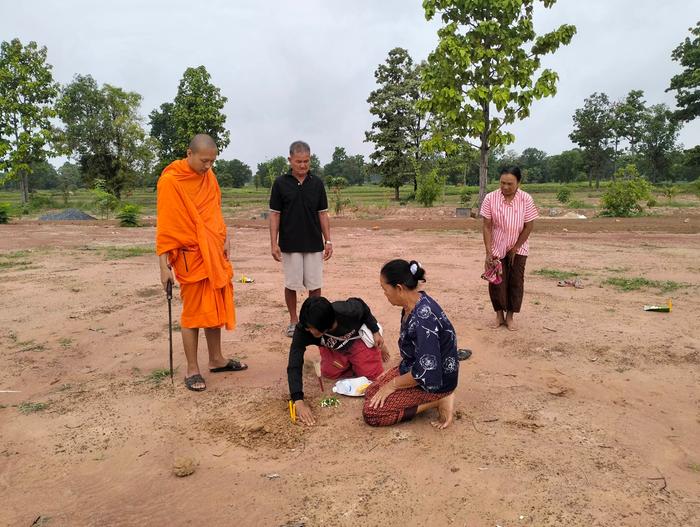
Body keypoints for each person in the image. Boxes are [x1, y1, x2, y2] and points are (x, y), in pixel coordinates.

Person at [156, 134, 247, 392]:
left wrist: (224, 236)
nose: (208, 166)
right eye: (204, 161)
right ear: (189, 154)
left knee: (213, 309)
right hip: (189, 256)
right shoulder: (171, 182)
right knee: (194, 314)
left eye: (212, 161)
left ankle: (217, 358)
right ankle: (192, 368)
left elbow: (215, 210)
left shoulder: (209, 177)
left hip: (213, 251)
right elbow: (166, 227)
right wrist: (163, 267)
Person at [363, 260, 459, 429]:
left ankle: (439, 399)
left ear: (399, 288)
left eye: (385, 289)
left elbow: (427, 370)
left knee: (373, 414)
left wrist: (392, 385)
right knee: (371, 392)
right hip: (414, 367)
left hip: (435, 380)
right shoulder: (412, 304)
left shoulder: (424, 319)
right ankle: (420, 396)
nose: (384, 294)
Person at [288, 296, 389, 426]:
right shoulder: (304, 329)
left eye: (311, 328)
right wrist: (298, 401)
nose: (307, 330)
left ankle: (375, 350)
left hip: (356, 340)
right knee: (330, 373)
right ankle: (351, 363)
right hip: (334, 348)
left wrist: (375, 331)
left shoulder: (346, 311)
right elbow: (294, 363)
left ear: (325, 326)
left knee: (372, 378)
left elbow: (362, 307)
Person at [269, 141, 332, 338]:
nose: (303, 165)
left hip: (314, 243)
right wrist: (273, 242)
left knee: (315, 285)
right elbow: (275, 215)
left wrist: (328, 241)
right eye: (299, 161)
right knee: (292, 284)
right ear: (290, 160)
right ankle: (294, 321)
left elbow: (322, 214)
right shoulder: (280, 183)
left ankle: (313, 321)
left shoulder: (317, 183)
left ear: (310, 159)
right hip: (290, 244)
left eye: (306, 161)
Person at [481, 166, 539, 331]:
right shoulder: (490, 198)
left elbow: (529, 226)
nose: (505, 187)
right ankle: (499, 315)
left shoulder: (526, 199)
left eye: (510, 184)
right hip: (496, 248)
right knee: (496, 282)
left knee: (515, 282)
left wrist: (516, 247)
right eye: (502, 183)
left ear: (519, 183)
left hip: (519, 248)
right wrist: (488, 252)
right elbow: (486, 226)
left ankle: (510, 316)